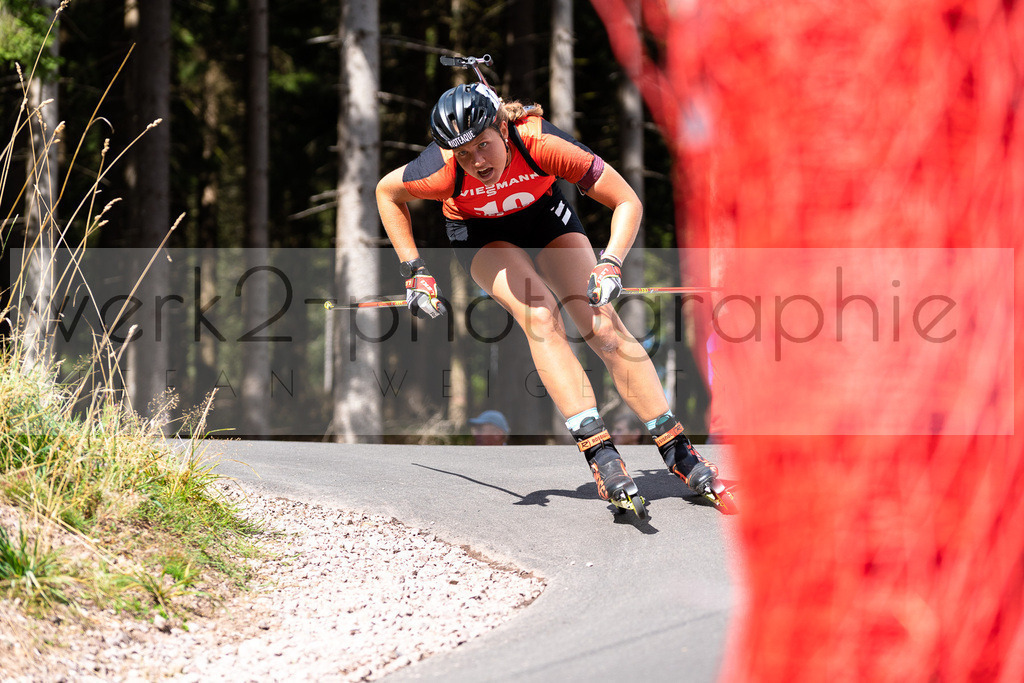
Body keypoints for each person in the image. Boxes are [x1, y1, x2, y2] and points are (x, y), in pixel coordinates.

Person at [375, 79, 725, 512]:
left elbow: (627, 201)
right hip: (480, 234)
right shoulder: (441, 169)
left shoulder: (542, 143)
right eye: (463, 153)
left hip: (544, 219)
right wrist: (415, 272)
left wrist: (610, 262)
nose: (476, 162)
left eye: (482, 145)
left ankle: (678, 452)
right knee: (540, 316)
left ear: (503, 130)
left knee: (602, 326)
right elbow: (386, 193)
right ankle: (600, 453)